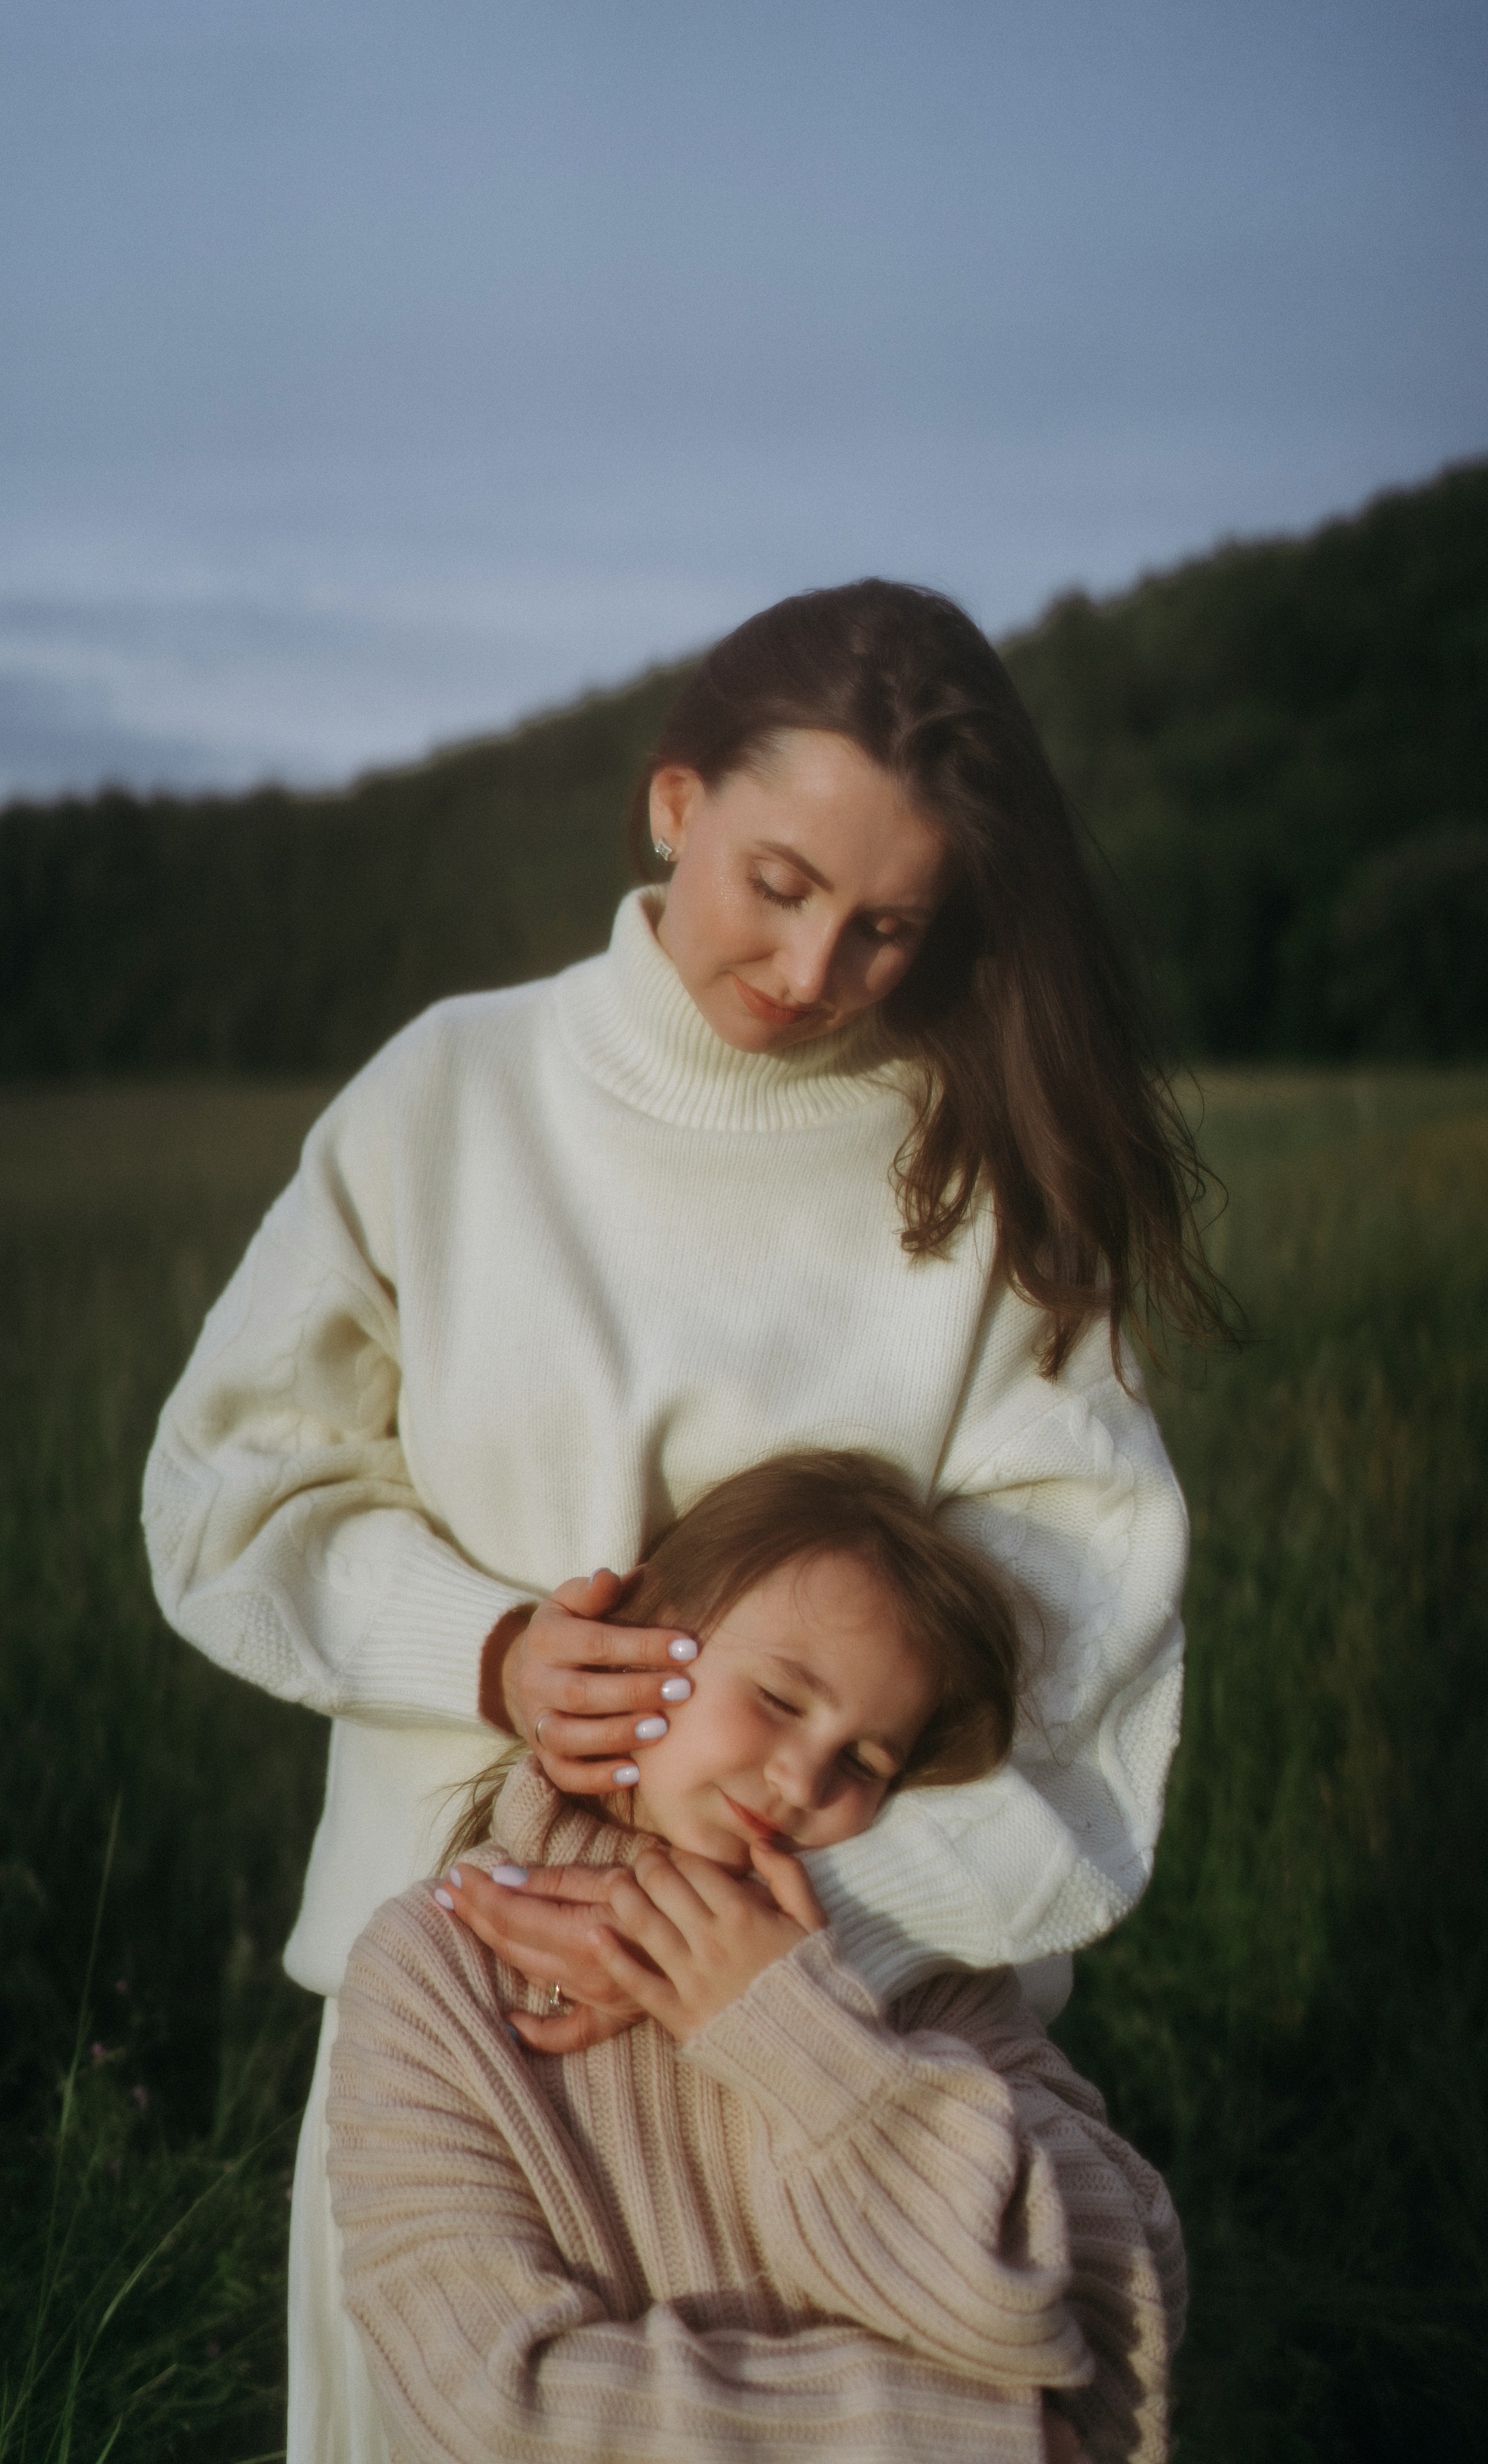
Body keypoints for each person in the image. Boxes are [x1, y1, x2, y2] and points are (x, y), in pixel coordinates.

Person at [142, 579, 1224, 2463]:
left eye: (888, 927)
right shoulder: (455, 1092)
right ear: (672, 803)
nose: (811, 969)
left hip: (836, 2052)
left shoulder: (979, 1165)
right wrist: (486, 1651)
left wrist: (769, 1956)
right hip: (461, 2027)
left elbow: (1081, 1653)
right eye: (777, 884)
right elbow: (229, 1485)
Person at [328, 1450, 1185, 2464]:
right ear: (637, 1635)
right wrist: (953, 2440)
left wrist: (797, 2037)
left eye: (864, 1759)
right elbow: (488, 2405)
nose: (802, 1779)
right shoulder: (433, 1975)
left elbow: (1113, 2326)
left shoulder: (924, 1979)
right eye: (779, 1698)